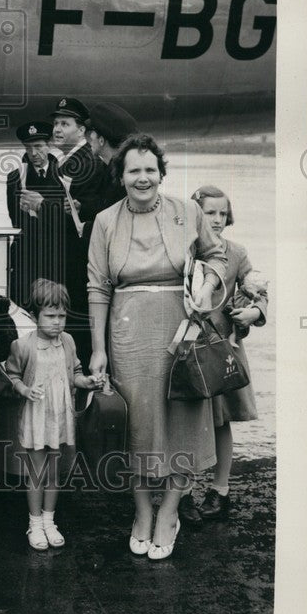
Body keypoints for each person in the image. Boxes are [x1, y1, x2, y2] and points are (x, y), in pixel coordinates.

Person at [87, 134, 227, 560]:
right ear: (121, 176)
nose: (143, 178)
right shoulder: (105, 221)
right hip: (128, 333)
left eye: (151, 169)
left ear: (162, 174)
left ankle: (169, 511)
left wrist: (207, 286)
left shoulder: (188, 211)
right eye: (134, 170)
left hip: (183, 329)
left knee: (183, 418)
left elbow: (217, 256)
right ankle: (142, 511)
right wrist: (98, 349)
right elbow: (97, 287)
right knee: (139, 424)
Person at [184, 185, 267, 524]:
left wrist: (255, 312)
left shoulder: (236, 253)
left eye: (222, 213)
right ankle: (184, 493)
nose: (217, 219)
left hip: (222, 351)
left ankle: (220, 490)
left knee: (221, 421)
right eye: (209, 213)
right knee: (188, 420)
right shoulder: (184, 251)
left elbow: (257, 289)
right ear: (195, 215)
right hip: (187, 349)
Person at [5, 280, 103, 551]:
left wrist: (87, 382)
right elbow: (11, 375)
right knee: (36, 473)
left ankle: (49, 521)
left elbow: (75, 374)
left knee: (54, 473)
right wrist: (25, 389)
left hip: (60, 418)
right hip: (36, 419)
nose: (57, 322)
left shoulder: (68, 342)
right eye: (50, 316)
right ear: (34, 316)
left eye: (62, 316)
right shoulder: (23, 346)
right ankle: (35, 523)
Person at [49, 96, 108, 369]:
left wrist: (80, 206)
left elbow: (100, 205)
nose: (57, 129)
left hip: (79, 259)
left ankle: (82, 373)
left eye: (65, 124)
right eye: (56, 124)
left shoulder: (86, 161)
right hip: (73, 258)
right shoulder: (73, 159)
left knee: (78, 322)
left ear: (81, 130)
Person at [6, 121, 68, 306]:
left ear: (49, 145)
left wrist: (42, 209)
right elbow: (17, 220)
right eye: (28, 147)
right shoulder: (16, 178)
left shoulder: (64, 176)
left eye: (39, 146)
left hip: (57, 254)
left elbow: (67, 219)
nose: (33, 153)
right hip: (28, 254)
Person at [79, 101, 139, 229]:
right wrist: (82, 208)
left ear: (101, 140)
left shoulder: (122, 176)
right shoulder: (113, 169)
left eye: (93, 132)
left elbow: (118, 225)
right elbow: (106, 207)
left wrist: (84, 229)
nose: (90, 136)